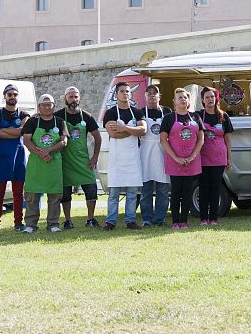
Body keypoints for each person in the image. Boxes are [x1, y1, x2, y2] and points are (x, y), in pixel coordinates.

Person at [103, 81, 146, 230]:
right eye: (122, 91)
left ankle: (130, 221)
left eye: (127, 91)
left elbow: (143, 130)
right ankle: (110, 222)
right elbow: (113, 134)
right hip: (117, 159)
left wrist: (124, 128)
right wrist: (132, 130)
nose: (125, 94)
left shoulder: (137, 112)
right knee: (113, 194)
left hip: (133, 159)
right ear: (116, 94)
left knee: (132, 194)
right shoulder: (110, 113)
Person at [56, 86, 101, 229]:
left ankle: (90, 219)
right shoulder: (58, 116)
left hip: (83, 161)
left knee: (91, 188)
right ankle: (67, 220)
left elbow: (98, 137)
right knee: (65, 193)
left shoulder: (86, 116)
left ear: (79, 98)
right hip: (65, 161)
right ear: (65, 99)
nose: (73, 100)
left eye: (76, 97)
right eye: (70, 97)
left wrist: (95, 157)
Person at [22, 94, 68, 233]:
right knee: (32, 195)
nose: (47, 107)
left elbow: (64, 141)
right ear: (39, 107)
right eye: (44, 105)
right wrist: (40, 153)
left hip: (54, 163)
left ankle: (53, 224)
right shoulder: (32, 121)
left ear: (54, 106)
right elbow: (27, 140)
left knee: (54, 195)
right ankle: (30, 225)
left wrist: (48, 151)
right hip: (36, 164)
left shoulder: (60, 122)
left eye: (50, 104)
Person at [161, 88, 205, 229]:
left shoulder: (195, 117)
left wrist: (193, 156)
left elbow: (201, 139)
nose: (183, 99)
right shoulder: (168, 118)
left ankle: (184, 221)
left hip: (191, 161)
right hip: (174, 161)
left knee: (187, 192)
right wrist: (176, 158)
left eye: (185, 97)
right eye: (179, 97)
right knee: (176, 192)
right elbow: (163, 140)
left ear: (188, 100)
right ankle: (175, 221)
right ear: (174, 101)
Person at [0, 84, 29, 233]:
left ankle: (18, 222)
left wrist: (4, 130)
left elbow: (23, 131)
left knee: (18, 193)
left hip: (18, 157)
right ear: (4, 96)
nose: (12, 97)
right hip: (1, 157)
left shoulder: (24, 115)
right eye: (10, 94)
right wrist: (14, 132)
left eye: (15, 94)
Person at [198, 86, 232, 226]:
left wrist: (229, 159)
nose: (210, 99)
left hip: (219, 158)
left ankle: (213, 218)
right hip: (202, 158)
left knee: (215, 188)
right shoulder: (198, 115)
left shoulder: (223, 116)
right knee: (203, 188)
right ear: (203, 100)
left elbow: (228, 139)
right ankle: (203, 219)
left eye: (212, 96)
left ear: (216, 98)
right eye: (207, 97)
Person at [139, 85, 172, 227]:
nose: (152, 95)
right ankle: (147, 219)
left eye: (155, 93)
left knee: (163, 191)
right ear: (145, 96)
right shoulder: (140, 112)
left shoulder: (167, 112)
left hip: (163, 154)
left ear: (159, 96)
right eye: (149, 93)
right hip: (145, 155)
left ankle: (159, 219)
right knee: (145, 191)